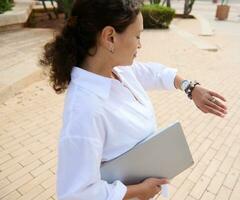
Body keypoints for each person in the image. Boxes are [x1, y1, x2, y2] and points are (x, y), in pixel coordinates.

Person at [40, 0, 228, 199]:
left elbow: (155, 73)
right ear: (109, 37)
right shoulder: (85, 110)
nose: (140, 44)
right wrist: (137, 191)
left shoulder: (118, 71)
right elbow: (75, 194)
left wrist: (190, 88)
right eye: (137, 36)